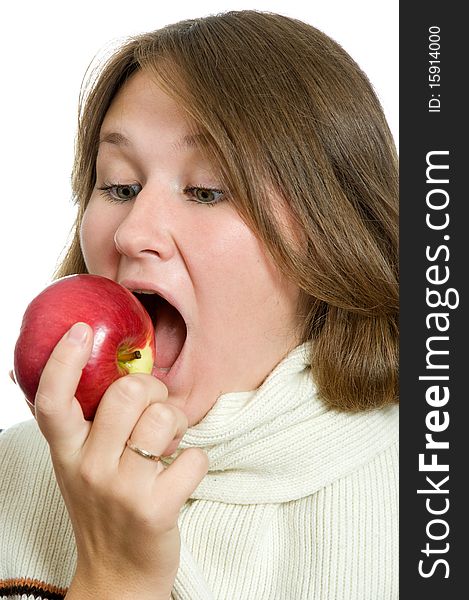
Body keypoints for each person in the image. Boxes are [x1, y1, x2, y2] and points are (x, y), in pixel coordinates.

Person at [0, 10, 398, 600]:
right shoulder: (10, 475)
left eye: (207, 190)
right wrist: (116, 580)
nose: (133, 234)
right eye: (120, 186)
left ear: (332, 237)